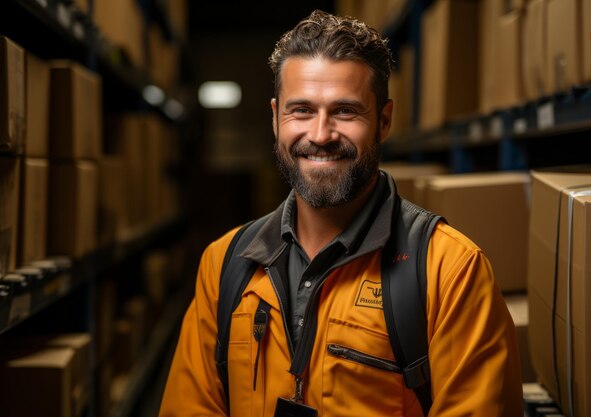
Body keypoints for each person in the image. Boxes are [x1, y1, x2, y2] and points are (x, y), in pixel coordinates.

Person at [159, 10, 523, 417]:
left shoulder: (451, 272)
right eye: (301, 110)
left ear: (383, 121)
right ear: (276, 115)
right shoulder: (225, 264)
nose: (320, 135)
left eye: (345, 111)